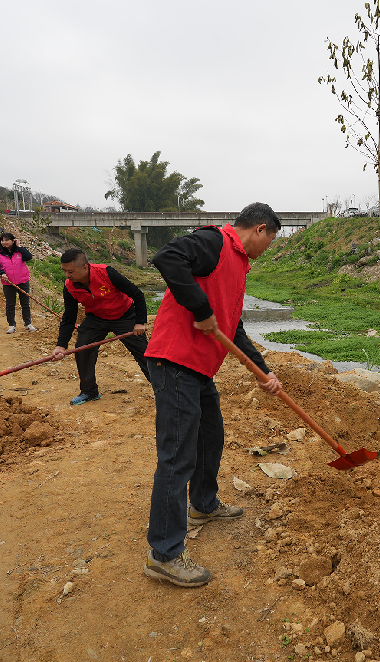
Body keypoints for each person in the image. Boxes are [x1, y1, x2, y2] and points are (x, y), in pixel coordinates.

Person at [143, 202, 283, 587]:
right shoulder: (215, 243)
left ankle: (203, 504)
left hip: (199, 369)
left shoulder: (238, 266)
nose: (268, 248)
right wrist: (200, 308)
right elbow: (167, 257)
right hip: (175, 362)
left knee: (210, 436)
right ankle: (164, 554)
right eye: (270, 240)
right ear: (259, 229)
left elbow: (232, 329)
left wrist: (263, 371)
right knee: (177, 456)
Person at [49, 248, 149, 405]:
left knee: (144, 353)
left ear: (85, 267)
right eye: (64, 271)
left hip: (124, 315)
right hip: (96, 318)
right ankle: (89, 391)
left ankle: (163, 388)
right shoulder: (69, 286)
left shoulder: (106, 273)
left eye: (70, 271)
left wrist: (140, 322)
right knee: (82, 348)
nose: (67, 275)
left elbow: (137, 294)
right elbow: (69, 317)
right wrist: (61, 346)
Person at [0, 232, 36, 333]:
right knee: (10, 304)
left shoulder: (19, 251)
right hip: (8, 283)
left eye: (7, 240)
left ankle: (28, 324)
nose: (4, 242)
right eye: (2, 240)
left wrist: (19, 246)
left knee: (25, 304)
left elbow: (28, 257)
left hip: (23, 281)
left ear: (13, 240)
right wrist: (1, 273)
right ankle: (11, 325)